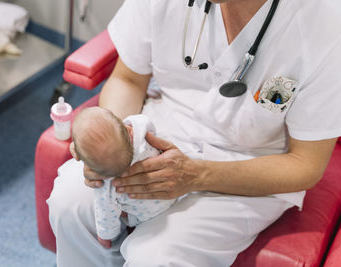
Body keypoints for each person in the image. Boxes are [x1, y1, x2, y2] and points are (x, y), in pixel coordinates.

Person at [47, 0, 341, 266]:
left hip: (246, 166)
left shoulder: (324, 24)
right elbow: (128, 79)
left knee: (155, 258)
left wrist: (194, 175)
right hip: (152, 134)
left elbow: (305, 165)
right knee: (69, 202)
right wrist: (117, 145)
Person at [70, 107, 175, 249]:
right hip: (172, 196)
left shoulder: (106, 184)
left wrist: (105, 236)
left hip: (145, 216)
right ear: (128, 132)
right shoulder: (139, 131)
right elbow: (146, 122)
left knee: (118, 209)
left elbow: (105, 215)